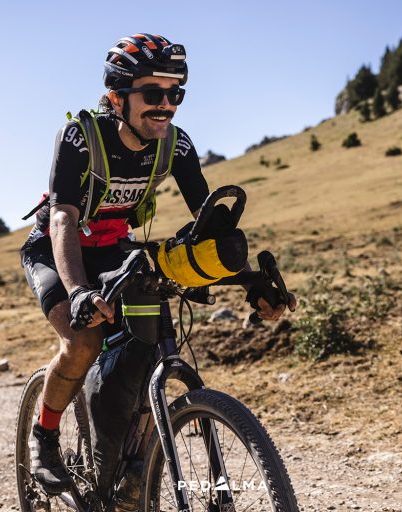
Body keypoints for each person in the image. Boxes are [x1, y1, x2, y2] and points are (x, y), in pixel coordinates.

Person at [19, 33, 297, 496]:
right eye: (152, 93)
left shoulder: (176, 146)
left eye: (175, 94)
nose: (166, 105)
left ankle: (131, 473)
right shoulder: (81, 136)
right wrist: (79, 292)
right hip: (55, 249)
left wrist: (250, 281)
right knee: (83, 340)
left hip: (115, 248)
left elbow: (208, 230)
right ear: (116, 98)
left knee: (148, 350)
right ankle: (44, 437)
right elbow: (63, 219)